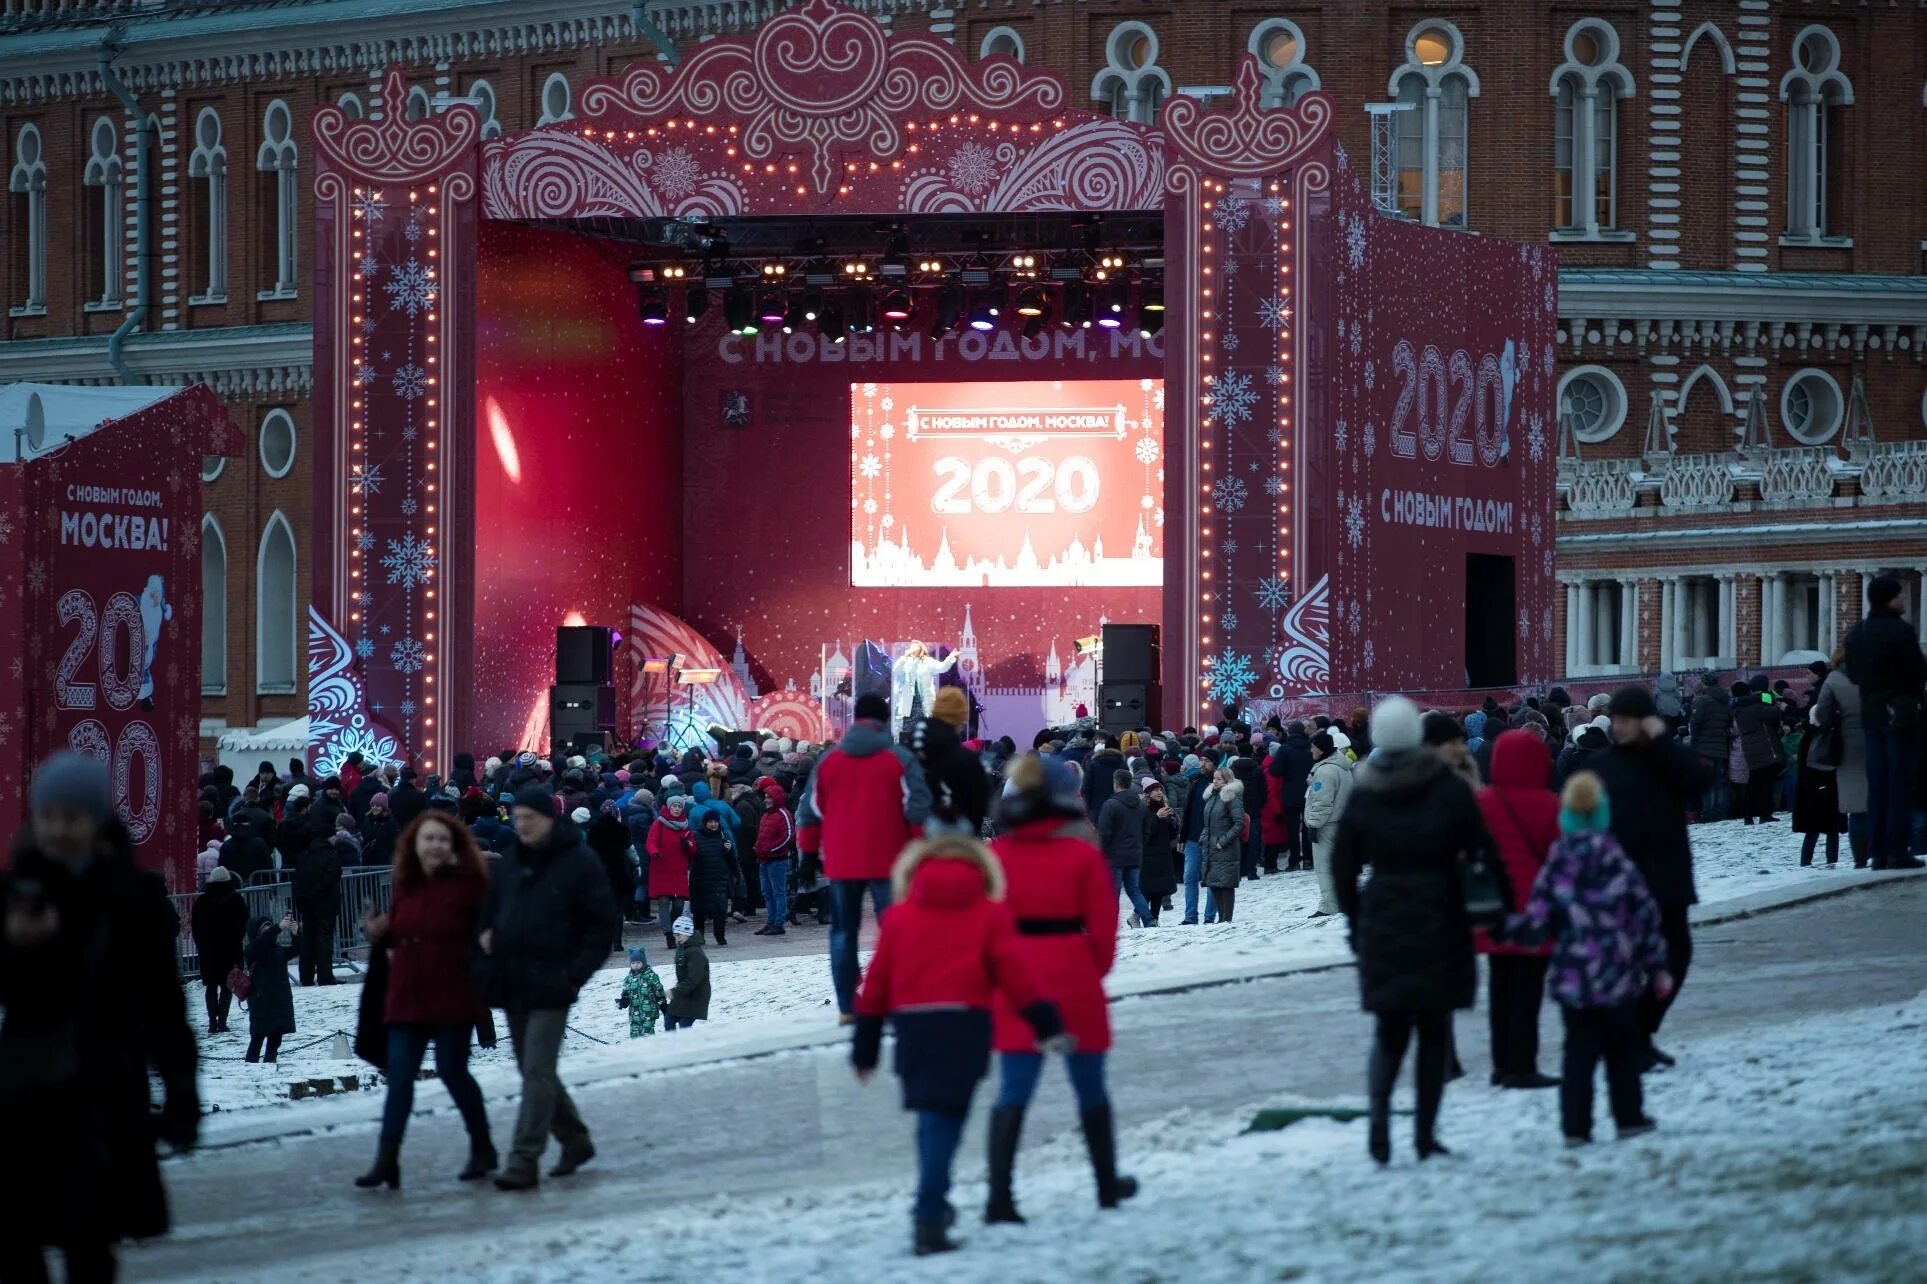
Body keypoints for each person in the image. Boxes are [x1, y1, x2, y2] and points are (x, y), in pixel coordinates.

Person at [0, 755, 200, 1283]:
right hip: (25, 1093)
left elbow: (162, 1003)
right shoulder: (16, 894)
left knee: (89, 1241)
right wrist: (17, 949)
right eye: (49, 817)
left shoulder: (129, 899)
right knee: (15, 1236)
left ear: (95, 821)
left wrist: (181, 1089)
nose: (58, 830)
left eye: (71, 817)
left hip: (102, 1094)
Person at [850, 836, 1065, 1256]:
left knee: (933, 1119)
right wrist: (1046, 1021)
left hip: (913, 1028)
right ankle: (929, 1214)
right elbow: (1015, 974)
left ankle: (934, 1205)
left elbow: (875, 986)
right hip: (964, 1025)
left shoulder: (899, 917)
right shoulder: (989, 913)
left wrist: (865, 1048)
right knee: (944, 1120)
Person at [1331, 696, 1487, 1164]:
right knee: (1434, 1031)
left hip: (1384, 914)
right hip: (1442, 912)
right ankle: (1424, 1135)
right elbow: (1481, 850)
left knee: (1389, 1030)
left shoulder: (1366, 792)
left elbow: (1343, 867)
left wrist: (1358, 918)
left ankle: (1379, 1126)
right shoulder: (1447, 788)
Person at [984, 757, 1135, 1225]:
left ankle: (1001, 1198)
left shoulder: (997, 858)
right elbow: (1106, 935)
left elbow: (984, 931)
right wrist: (1085, 971)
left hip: (1016, 985)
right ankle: (1106, 1185)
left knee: (1013, 1090)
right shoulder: (1083, 857)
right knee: (1090, 1086)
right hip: (1074, 977)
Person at [1499, 772, 1670, 1146]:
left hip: (1573, 977)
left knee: (1578, 1052)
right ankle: (1629, 1117)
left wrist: (1506, 927)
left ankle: (1576, 1127)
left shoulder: (1556, 867)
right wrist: (1657, 968)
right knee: (1621, 1050)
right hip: (1618, 975)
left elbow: (1537, 922)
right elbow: (1644, 919)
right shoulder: (1619, 863)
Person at [475, 783, 618, 1191]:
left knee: (537, 1069)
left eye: (529, 819)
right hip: (514, 980)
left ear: (549, 819)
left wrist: (574, 975)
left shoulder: (579, 862)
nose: (521, 825)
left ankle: (523, 1159)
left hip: (554, 983)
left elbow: (601, 926)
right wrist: (486, 937)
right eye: (517, 818)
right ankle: (576, 1140)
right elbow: (490, 912)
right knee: (532, 1069)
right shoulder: (510, 863)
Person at [355, 812, 497, 1190]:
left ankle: (483, 1146)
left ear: (453, 846)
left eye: (441, 839)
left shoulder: (471, 884)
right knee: (400, 1075)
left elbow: (487, 931)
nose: (434, 845)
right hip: (407, 994)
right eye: (427, 839)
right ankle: (387, 1159)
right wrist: (380, 934)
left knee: (452, 1071)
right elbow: (401, 934)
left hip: (454, 992)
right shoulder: (405, 883)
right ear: (414, 845)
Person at [1588, 686, 1714, 1073]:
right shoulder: (1601, 766)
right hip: (1621, 885)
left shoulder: (1666, 760)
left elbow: (1700, 782)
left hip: (1666, 880)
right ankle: (1630, 1041)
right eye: (1618, 720)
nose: (1620, 727)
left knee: (1676, 959)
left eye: (1628, 720)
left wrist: (1662, 743)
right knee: (1626, 969)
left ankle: (1642, 1032)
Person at [795, 692, 933, 1023]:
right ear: (885, 720)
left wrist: (809, 853)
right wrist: (920, 850)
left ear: (855, 719)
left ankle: (847, 1006)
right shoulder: (899, 759)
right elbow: (917, 810)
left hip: (842, 861)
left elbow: (810, 811)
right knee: (896, 929)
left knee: (843, 931)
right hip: (891, 860)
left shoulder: (829, 761)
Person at [1474, 730, 1563, 1089]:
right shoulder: (1549, 805)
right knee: (1528, 992)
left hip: (1494, 909)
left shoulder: (1481, 802)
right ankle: (1521, 1065)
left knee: (1500, 989)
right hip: (1534, 912)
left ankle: (1500, 1064)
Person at [1843, 574, 1927, 869]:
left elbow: (1852, 675)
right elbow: (1918, 671)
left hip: (1871, 717)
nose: (1903, 600)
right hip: (1900, 716)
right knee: (1900, 784)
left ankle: (1876, 852)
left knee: (1877, 786)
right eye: (1900, 595)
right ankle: (1897, 850)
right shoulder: (1900, 631)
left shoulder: (1857, 633)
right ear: (1890, 599)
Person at [1813, 656, 1870, 865]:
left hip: (1847, 743)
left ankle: (1861, 859)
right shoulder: (1876, 671)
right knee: (1880, 798)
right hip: (1878, 736)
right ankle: (1882, 852)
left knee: (1856, 806)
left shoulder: (1834, 680)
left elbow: (1822, 713)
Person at [190, 866, 249, 1034]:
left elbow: (196, 927)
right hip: (231, 950)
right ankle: (222, 1022)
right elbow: (242, 925)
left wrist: (201, 944)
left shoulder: (201, 902)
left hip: (208, 952)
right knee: (227, 986)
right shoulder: (236, 900)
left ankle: (211, 1023)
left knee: (210, 986)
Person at [1302, 731, 1354, 917]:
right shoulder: (1342, 768)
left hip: (1326, 826)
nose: (1311, 750)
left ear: (1321, 748)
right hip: (1341, 823)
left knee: (1324, 867)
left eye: (1313, 746)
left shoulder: (1325, 771)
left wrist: (1314, 825)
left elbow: (1322, 802)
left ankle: (1329, 905)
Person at [1096, 769, 1155, 928]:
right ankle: (1149, 920)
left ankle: (1111, 924)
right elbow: (1146, 831)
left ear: (1115, 782)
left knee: (1112, 892)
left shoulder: (1110, 804)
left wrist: (1099, 853)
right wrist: (1139, 845)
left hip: (1114, 857)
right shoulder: (1141, 805)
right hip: (1135, 855)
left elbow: (1104, 833)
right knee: (1134, 890)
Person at [244, 913, 301, 1062]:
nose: (269, 931)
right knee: (257, 1038)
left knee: (275, 1039)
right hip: (261, 1002)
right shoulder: (253, 950)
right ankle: (251, 1067)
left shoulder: (278, 950)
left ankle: (269, 1065)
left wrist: (296, 934)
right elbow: (261, 943)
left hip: (279, 1001)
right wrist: (277, 928)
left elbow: (297, 949)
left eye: (270, 927)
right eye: (265, 928)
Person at [292, 830, 343, 986]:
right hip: (326, 904)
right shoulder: (331, 856)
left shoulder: (303, 856)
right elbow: (331, 878)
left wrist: (303, 900)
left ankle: (306, 976)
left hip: (307, 904)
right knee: (324, 939)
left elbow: (297, 880)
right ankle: (325, 975)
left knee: (308, 939)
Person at [1730, 681, 1785, 825]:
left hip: (1750, 749)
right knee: (1766, 783)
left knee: (1754, 783)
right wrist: (1773, 700)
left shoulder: (1737, 708)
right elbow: (1774, 711)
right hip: (1764, 748)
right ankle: (1764, 813)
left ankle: (1748, 815)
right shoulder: (1753, 707)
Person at [646, 795, 693, 951]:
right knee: (664, 903)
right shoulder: (659, 823)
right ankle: (668, 934)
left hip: (678, 869)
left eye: (679, 806)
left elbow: (693, 848)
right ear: (669, 807)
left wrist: (688, 845)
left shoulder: (685, 826)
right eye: (674, 806)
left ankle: (674, 928)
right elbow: (651, 842)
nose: (677, 809)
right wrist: (654, 852)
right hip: (662, 868)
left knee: (679, 904)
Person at [1198, 766, 1246, 922]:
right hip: (1211, 845)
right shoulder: (1213, 796)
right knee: (1214, 883)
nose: (1215, 781)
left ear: (1227, 780)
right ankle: (1221, 918)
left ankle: (1227, 918)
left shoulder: (1231, 797)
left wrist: (1222, 841)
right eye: (1214, 778)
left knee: (1225, 884)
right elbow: (1207, 823)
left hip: (1225, 847)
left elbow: (1238, 823)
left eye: (1219, 779)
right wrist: (1204, 838)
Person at [1267, 721, 1313, 872]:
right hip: (1309, 792)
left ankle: (1294, 861)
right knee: (1308, 827)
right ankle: (1308, 859)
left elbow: (1274, 771)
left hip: (1290, 794)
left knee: (1292, 829)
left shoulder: (1285, 749)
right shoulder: (1311, 747)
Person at [1687, 676, 1733, 821]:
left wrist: (1693, 742)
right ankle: (1719, 810)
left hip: (1704, 747)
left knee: (1706, 781)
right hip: (1720, 746)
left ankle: (1708, 811)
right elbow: (1729, 722)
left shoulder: (1701, 700)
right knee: (1718, 780)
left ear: (1705, 684)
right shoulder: (1725, 700)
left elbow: (1695, 724)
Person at [752, 778, 794, 936]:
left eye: (769, 797)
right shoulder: (767, 815)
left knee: (778, 892)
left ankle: (778, 923)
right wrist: (758, 847)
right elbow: (761, 834)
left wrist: (769, 849)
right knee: (767, 893)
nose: (766, 800)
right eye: (765, 797)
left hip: (777, 859)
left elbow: (788, 837)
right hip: (765, 859)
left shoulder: (782, 814)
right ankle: (771, 922)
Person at [687, 810, 734, 946]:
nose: (713, 824)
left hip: (719, 878)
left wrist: (729, 850)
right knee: (699, 910)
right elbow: (691, 855)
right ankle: (699, 935)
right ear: (705, 822)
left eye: (716, 821)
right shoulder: (696, 836)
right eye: (710, 822)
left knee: (720, 909)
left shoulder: (722, 835)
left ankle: (720, 935)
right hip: (700, 878)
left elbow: (731, 859)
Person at [1137, 777, 1179, 927]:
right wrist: (1157, 818)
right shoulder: (1142, 809)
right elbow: (1144, 833)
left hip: (1162, 854)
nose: (1159, 792)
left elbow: (1171, 835)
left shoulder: (1164, 806)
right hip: (1148, 855)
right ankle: (1141, 917)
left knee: (1160, 890)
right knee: (1148, 890)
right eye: (1155, 789)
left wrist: (1173, 822)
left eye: (1160, 789)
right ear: (1147, 793)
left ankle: (1154, 919)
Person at [664, 915, 709, 1032]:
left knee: (685, 1025)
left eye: (679, 934)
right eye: (675, 935)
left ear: (688, 933)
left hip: (696, 995)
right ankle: (671, 1045)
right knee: (669, 1018)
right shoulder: (683, 947)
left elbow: (693, 979)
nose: (676, 938)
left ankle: (687, 1047)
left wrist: (675, 991)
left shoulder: (695, 953)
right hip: (684, 992)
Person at [618, 946, 666, 1038]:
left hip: (649, 1011)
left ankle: (649, 1049)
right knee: (635, 1032)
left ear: (643, 962)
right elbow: (625, 992)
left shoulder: (651, 976)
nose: (635, 965)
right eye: (633, 963)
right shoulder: (628, 978)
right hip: (634, 1012)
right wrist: (624, 1000)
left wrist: (662, 1004)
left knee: (647, 1033)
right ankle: (637, 1049)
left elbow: (659, 991)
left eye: (638, 962)